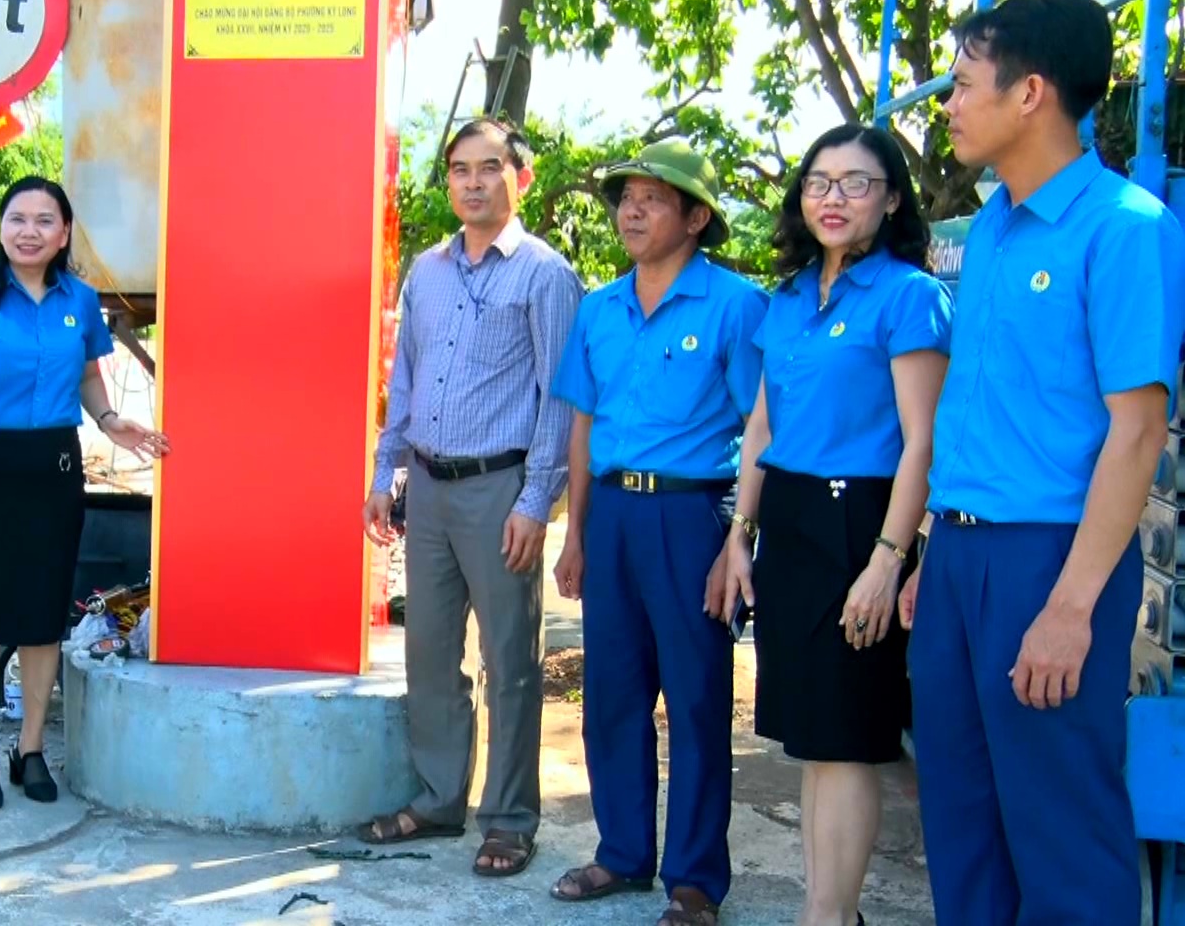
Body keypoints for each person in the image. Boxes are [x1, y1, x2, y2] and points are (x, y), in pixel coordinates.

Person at [910, 0, 1185, 925]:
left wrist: (1070, 608)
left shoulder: (1125, 226)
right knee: (961, 818)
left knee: (1062, 830)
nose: (947, 103)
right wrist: (934, 550)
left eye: (962, 83)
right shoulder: (990, 228)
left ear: (1030, 93)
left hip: (1051, 559)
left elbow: (1138, 431)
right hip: (960, 555)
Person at [715, 124, 950, 926]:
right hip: (792, 521)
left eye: (857, 182)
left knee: (849, 737)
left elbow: (924, 439)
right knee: (812, 738)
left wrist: (888, 560)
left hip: (864, 523)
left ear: (890, 199)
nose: (835, 198)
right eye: (820, 181)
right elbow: (760, 428)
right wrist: (739, 534)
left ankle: (829, 917)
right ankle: (828, 912)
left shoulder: (908, 296)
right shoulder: (784, 301)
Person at [544, 137, 765, 924]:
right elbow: (584, 423)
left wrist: (739, 535)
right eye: (625, 196)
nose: (631, 209)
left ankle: (695, 879)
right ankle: (623, 854)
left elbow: (761, 428)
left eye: (653, 197)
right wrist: (574, 533)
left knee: (699, 698)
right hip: (614, 515)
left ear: (697, 217)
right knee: (612, 692)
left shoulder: (736, 306)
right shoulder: (599, 308)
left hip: (691, 515)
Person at [358, 118, 583, 879]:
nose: (473, 183)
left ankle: (511, 820)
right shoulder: (427, 270)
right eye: (460, 170)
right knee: (428, 654)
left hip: (500, 489)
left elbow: (560, 397)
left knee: (510, 662)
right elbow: (406, 377)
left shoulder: (545, 275)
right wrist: (388, 470)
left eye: (490, 168)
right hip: (426, 482)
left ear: (520, 178)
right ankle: (439, 797)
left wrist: (535, 501)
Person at [0, 175, 170, 811]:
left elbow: (89, 381)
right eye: (16, 219)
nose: (28, 231)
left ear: (63, 234)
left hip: (54, 467)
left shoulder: (80, 302)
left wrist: (113, 422)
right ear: (0, 230)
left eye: (43, 221)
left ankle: (29, 747)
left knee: (40, 619)